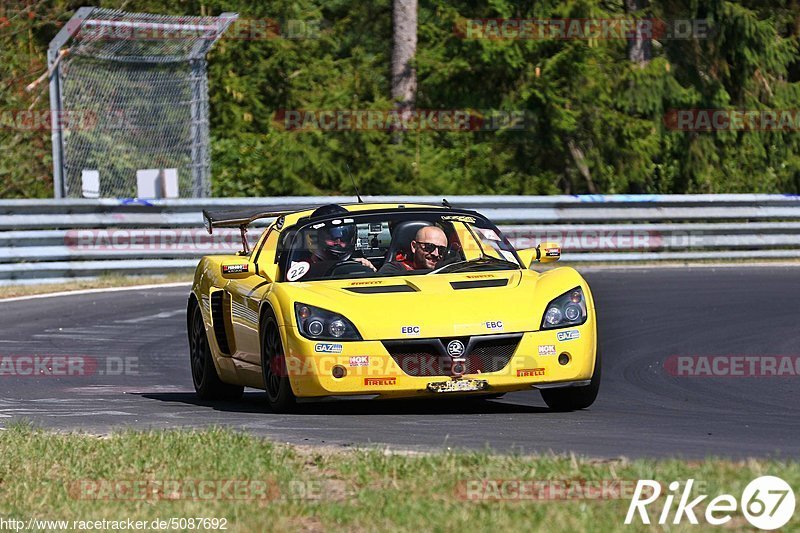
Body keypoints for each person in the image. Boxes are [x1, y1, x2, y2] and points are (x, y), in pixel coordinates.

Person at [288, 205, 375, 280]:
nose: (339, 243)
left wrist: (369, 271)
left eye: (344, 238)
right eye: (333, 238)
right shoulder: (295, 269)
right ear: (313, 238)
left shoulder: (359, 266)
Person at [379, 225, 448, 274]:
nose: (436, 254)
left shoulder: (451, 271)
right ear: (414, 247)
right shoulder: (393, 270)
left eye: (441, 250)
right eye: (429, 247)